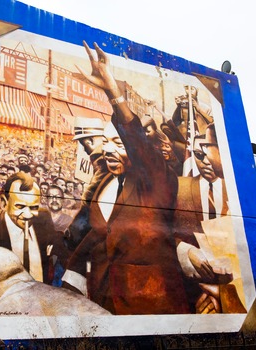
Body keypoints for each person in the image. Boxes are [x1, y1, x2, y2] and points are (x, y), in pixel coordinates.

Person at [61, 41, 191, 315]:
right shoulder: (106, 184)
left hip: (153, 309)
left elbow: (136, 140)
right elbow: (99, 236)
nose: (108, 148)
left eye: (119, 144)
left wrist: (112, 90)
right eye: (106, 141)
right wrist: (72, 278)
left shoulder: (156, 179)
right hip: (104, 308)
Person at [0, 172, 68, 285]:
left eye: (33, 207)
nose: (28, 215)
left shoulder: (43, 217)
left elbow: (60, 246)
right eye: (20, 207)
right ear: (4, 203)